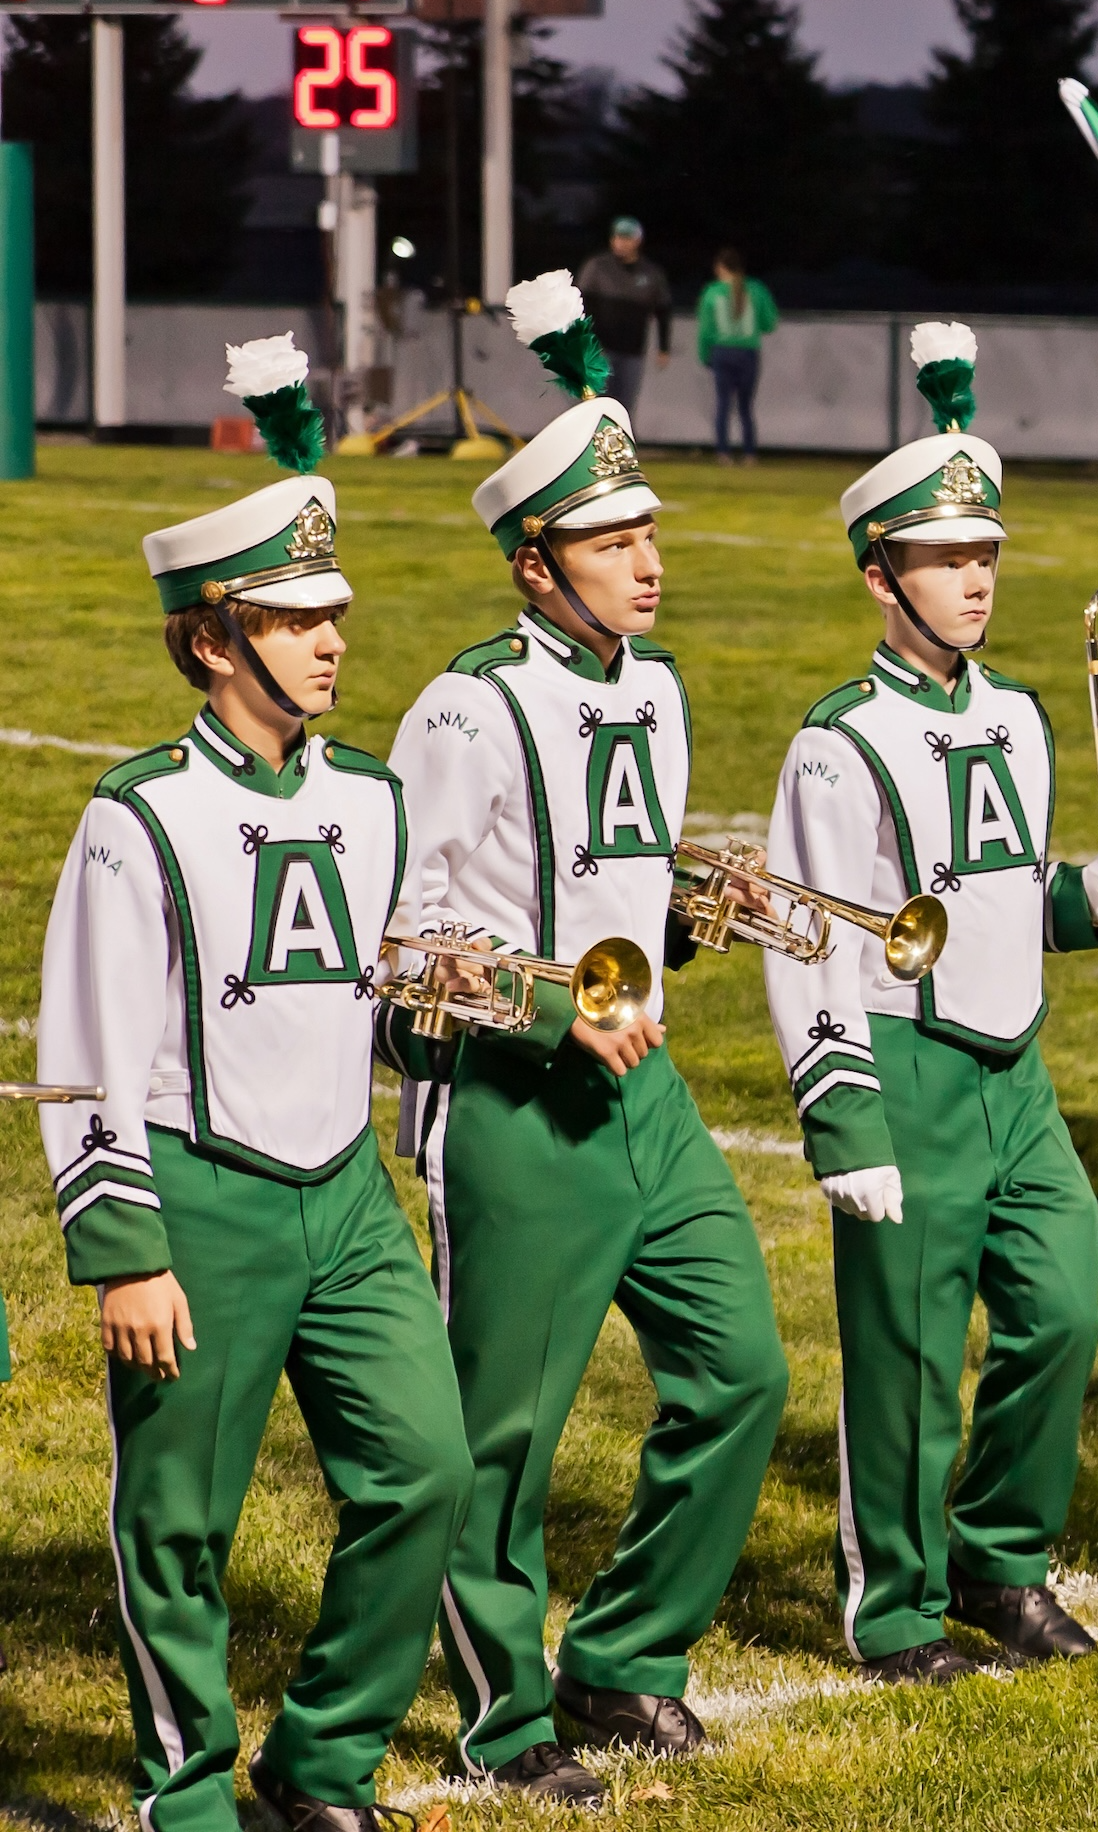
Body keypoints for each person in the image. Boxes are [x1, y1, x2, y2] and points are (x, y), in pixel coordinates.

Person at [40, 339, 469, 1832]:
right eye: (293, 621)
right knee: (180, 1525)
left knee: (426, 1471)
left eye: (334, 615)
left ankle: (324, 1761)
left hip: (346, 1193)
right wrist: (125, 1249)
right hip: (198, 1195)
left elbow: (365, 999)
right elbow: (83, 1049)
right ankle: (187, 1789)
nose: (330, 642)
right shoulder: (137, 817)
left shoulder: (372, 797)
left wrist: (447, 1008)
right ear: (214, 640)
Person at [390, 276, 788, 1802]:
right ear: (531, 562)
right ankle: (506, 1718)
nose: (650, 565)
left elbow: (622, 869)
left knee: (743, 1369)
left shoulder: (662, 689)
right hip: (513, 1109)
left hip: (655, 1093)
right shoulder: (466, 709)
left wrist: (697, 904)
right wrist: (559, 1006)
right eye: (615, 542)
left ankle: (625, 1659)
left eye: (649, 535)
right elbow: (398, 946)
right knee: (506, 1440)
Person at [761, 324, 1098, 1672]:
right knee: (906, 1356)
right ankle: (896, 1606)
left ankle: (1000, 1560)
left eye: (984, 556)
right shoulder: (840, 739)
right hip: (905, 1068)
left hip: (1013, 1069)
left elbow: (1007, 892)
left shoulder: (1020, 714)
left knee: (1067, 1307)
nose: (972, 580)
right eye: (941, 560)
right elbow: (811, 940)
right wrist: (844, 1119)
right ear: (880, 576)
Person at [578, 217, 673, 406]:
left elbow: (663, 310)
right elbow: (580, 304)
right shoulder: (597, 267)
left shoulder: (651, 273)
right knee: (597, 407)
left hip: (633, 352)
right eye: (617, 237)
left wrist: (664, 347)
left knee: (624, 407)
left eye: (626, 238)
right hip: (600, 351)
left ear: (637, 241)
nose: (619, 243)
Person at [696, 247, 776, 464]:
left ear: (720, 268)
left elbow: (705, 330)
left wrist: (704, 356)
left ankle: (723, 453)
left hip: (722, 352)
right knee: (745, 407)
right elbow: (770, 324)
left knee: (723, 404)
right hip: (748, 353)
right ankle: (750, 453)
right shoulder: (756, 289)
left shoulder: (712, 291)